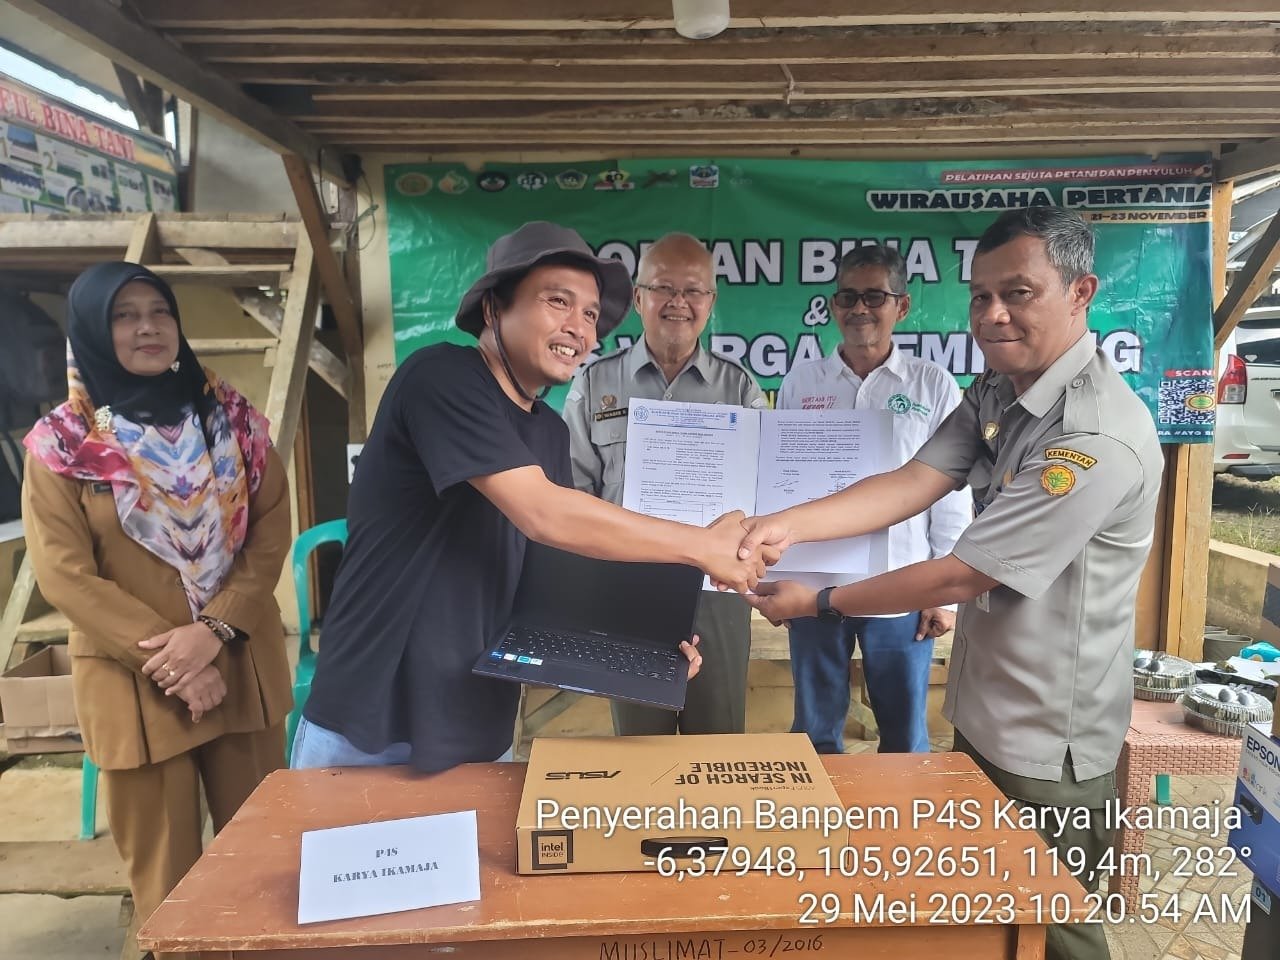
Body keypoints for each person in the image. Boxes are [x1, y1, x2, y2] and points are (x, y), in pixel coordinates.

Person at [740, 207, 1162, 960]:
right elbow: (916, 479)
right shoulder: (1000, 390)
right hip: (984, 709)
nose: (992, 314)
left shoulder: (1091, 435)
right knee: (987, 920)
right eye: (980, 295)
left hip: (1045, 739)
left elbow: (964, 572)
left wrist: (821, 600)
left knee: (1053, 929)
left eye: (1018, 293)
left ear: (1080, 292)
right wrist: (786, 526)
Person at [295, 222, 767, 773]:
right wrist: (703, 546)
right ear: (495, 306)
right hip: (370, 720)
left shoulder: (548, 431)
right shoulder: (441, 378)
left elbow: (558, 574)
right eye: (557, 301)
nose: (578, 328)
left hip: (479, 721)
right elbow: (545, 514)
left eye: (590, 314)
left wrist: (648, 645)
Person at [21, 263, 291, 950]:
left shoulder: (233, 420)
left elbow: (270, 529)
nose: (147, 327)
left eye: (159, 311)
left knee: (265, 863)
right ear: (91, 331)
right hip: (135, 684)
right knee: (169, 884)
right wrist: (177, 659)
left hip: (238, 664)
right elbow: (65, 574)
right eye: (124, 315)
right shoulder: (62, 445)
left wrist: (214, 630)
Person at [564, 232, 766, 737]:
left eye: (694, 290)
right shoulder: (594, 383)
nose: (679, 302)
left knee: (717, 743)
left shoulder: (740, 388)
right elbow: (572, 494)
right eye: (663, 288)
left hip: (717, 589)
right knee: (638, 746)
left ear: (711, 302)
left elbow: (763, 495)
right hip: (627, 590)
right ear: (639, 299)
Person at [777, 244, 970, 754]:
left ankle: (900, 809)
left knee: (904, 736)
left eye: (874, 297)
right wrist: (780, 577)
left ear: (901, 306)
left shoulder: (932, 385)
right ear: (833, 306)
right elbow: (782, 483)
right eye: (848, 297)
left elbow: (952, 493)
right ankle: (817, 807)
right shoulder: (802, 382)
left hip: (902, 586)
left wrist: (943, 594)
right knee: (814, 733)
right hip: (814, 584)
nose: (859, 308)